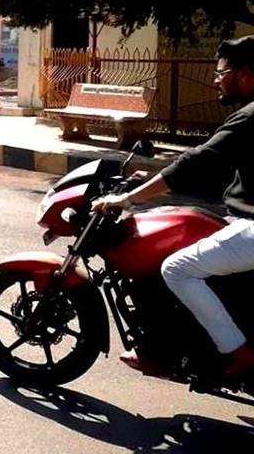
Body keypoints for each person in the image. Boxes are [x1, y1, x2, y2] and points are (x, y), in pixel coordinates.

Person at [92, 37, 254, 378]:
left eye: (221, 71)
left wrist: (127, 199)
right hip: (242, 219)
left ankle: (238, 353)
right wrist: (153, 178)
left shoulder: (249, 118)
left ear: (245, 74)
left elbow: (196, 162)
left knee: (177, 269)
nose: (215, 79)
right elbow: (210, 168)